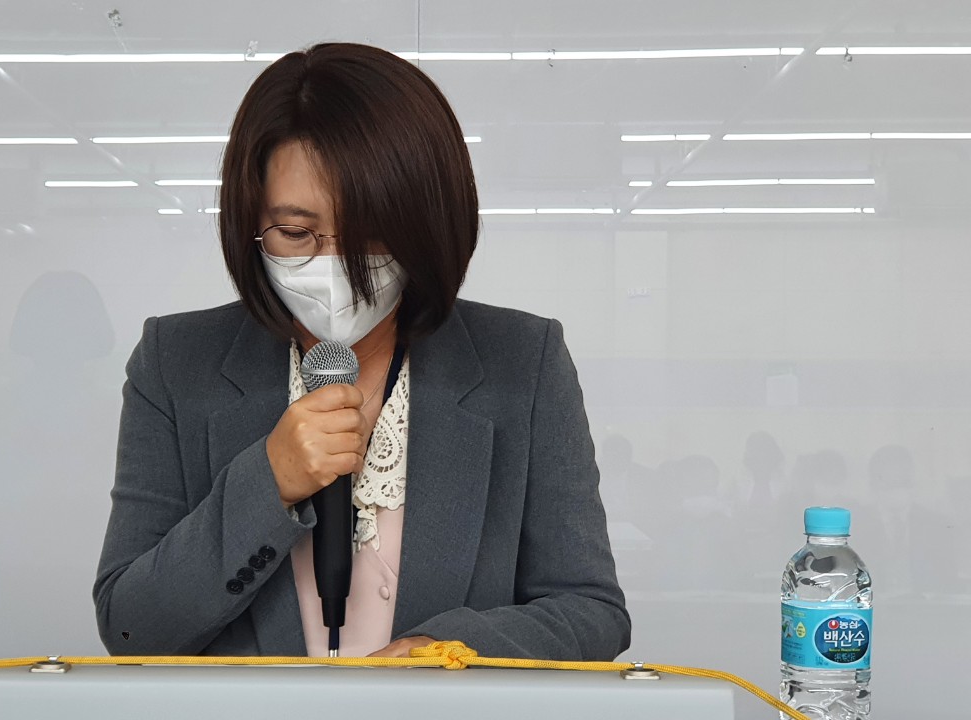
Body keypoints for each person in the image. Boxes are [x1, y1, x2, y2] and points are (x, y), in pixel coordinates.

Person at [93, 42, 629, 660]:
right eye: (296, 232)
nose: (335, 265)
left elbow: (592, 612)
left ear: (427, 223)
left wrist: (444, 650)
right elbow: (129, 629)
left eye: (371, 234)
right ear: (250, 222)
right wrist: (269, 483)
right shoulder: (176, 362)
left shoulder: (523, 362)